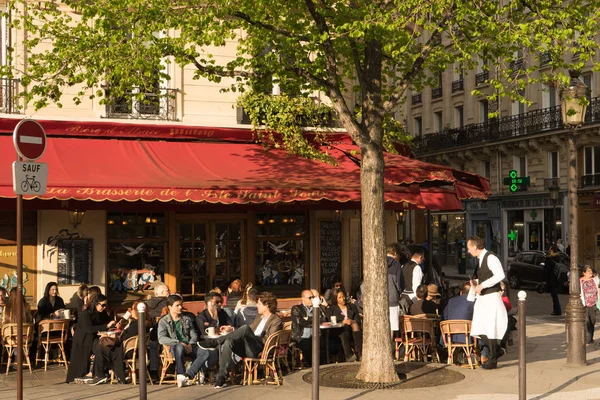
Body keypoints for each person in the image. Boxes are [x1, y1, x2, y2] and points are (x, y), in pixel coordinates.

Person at [210, 292, 283, 388]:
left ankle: (216, 341)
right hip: (249, 347)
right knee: (229, 342)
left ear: (266, 305)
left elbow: (270, 340)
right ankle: (221, 378)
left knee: (244, 328)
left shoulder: (276, 320)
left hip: (261, 349)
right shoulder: (259, 317)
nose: (257, 305)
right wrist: (232, 329)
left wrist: (253, 337)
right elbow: (249, 329)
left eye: (259, 303)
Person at [157, 294, 218, 388]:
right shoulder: (163, 321)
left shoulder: (186, 319)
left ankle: (187, 375)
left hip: (189, 347)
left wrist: (190, 344)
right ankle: (180, 374)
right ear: (169, 307)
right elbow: (161, 338)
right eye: (177, 305)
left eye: (181, 304)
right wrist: (178, 342)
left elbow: (194, 335)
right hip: (174, 347)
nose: (180, 307)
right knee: (179, 347)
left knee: (205, 352)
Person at [467, 235, 508, 370]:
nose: (468, 251)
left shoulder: (490, 257)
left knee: (489, 328)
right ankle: (496, 351)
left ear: (475, 247)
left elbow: (500, 275)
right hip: (483, 298)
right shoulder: (481, 259)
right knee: (478, 328)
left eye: (469, 248)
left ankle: (493, 358)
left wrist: (482, 285)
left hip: (490, 298)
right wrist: (476, 284)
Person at [91, 300, 150, 383]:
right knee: (103, 349)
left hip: (127, 351)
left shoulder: (136, 324)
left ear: (136, 311)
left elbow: (121, 338)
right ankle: (104, 373)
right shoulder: (145, 323)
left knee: (100, 349)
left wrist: (107, 335)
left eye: (132, 309)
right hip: (137, 350)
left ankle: (100, 375)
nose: (130, 311)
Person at [66, 294, 114, 384]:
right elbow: (90, 329)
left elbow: (108, 322)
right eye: (102, 305)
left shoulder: (102, 313)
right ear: (96, 303)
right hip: (83, 339)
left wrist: (114, 325)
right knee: (97, 350)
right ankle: (93, 374)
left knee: (100, 349)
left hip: (93, 338)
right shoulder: (86, 314)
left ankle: (98, 373)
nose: (104, 307)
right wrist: (106, 326)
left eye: (105, 305)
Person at [290, 289, 329, 365]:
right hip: (302, 337)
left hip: (317, 336)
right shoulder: (296, 308)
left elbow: (323, 319)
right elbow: (300, 322)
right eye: (310, 298)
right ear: (303, 298)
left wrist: (308, 319)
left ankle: (321, 367)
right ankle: (312, 367)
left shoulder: (317, 307)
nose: (312, 299)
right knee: (308, 345)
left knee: (325, 344)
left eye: (313, 297)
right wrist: (315, 320)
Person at [144, 282, 171, 381]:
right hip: (166, 332)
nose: (169, 292)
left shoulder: (145, 304)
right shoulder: (168, 303)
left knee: (152, 344)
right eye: (168, 291)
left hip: (147, 333)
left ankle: (153, 371)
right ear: (165, 293)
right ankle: (156, 370)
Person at [329, 287, 362, 362]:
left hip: (354, 332)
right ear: (335, 298)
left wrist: (352, 321)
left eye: (343, 296)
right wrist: (342, 322)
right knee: (344, 328)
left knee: (354, 324)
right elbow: (330, 322)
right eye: (339, 297)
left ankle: (360, 354)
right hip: (340, 333)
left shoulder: (352, 307)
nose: (342, 299)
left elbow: (358, 321)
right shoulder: (331, 309)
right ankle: (349, 355)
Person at [579, 265, 600, 346]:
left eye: (591, 271)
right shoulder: (580, 281)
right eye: (588, 271)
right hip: (585, 304)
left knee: (592, 321)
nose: (590, 273)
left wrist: (596, 275)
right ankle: (587, 340)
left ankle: (590, 339)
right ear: (584, 273)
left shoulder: (595, 280)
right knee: (586, 322)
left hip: (594, 303)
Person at [386, 244, 403, 337]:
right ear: (395, 253)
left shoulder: (378, 262)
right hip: (393, 299)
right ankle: (391, 346)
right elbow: (399, 283)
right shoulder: (396, 265)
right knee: (392, 326)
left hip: (379, 301)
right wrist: (399, 293)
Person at [544, 245, 562, 316]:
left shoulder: (549, 259)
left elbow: (546, 271)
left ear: (551, 250)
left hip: (552, 280)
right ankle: (556, 310)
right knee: (555, 296)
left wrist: (545, 280)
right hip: (557, 279)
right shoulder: (559, 258)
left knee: (554, 296)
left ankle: (557, 310)